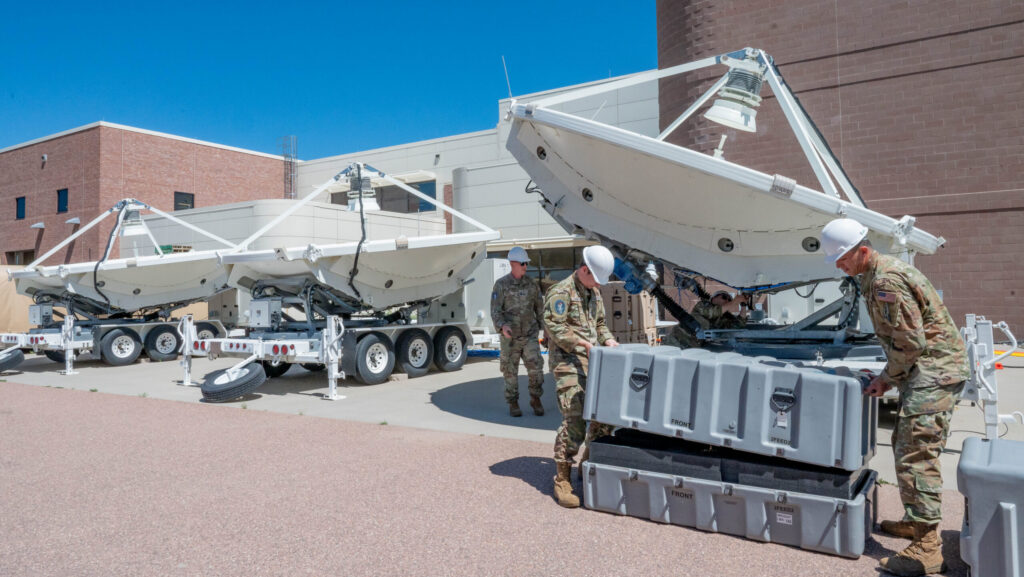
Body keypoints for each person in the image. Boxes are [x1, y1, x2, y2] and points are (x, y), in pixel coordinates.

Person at [821, 218, 969, 577]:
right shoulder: (874, 275)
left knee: (916, 454)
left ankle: (927, 548)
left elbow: (910, 342)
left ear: (863, 250)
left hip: (934, 372)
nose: (840, 265)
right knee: (905, 443)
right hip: (926, 371)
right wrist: (890, 376)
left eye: (843, 258)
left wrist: (887, 378)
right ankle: (916, 520)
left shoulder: (886, 280)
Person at [543, 245, 620, 508]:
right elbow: (554, 326)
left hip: (594, 362)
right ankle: (562, 478)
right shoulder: (560, 291)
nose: (598, 284)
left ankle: (589, 461)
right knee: (574, 416)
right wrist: (583, 344)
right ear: (584, 270)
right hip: (568, 362)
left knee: (603, 413)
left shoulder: (593, 292)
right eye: (596, 278)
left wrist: (609, 341)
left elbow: (599, 325)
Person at [491, 246, 546, 417]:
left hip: (530, 335)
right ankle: (513, 402)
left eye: (526, 263)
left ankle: (535, 398)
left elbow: (540, 310)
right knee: (510, 371)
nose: (525, 266)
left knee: (536, 369)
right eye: (523, 263)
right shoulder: (501, 285)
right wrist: (502, 326)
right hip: (510, 338)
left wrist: (548, 332)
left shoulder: (532, 285)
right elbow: (495, 311)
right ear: (513, 263)